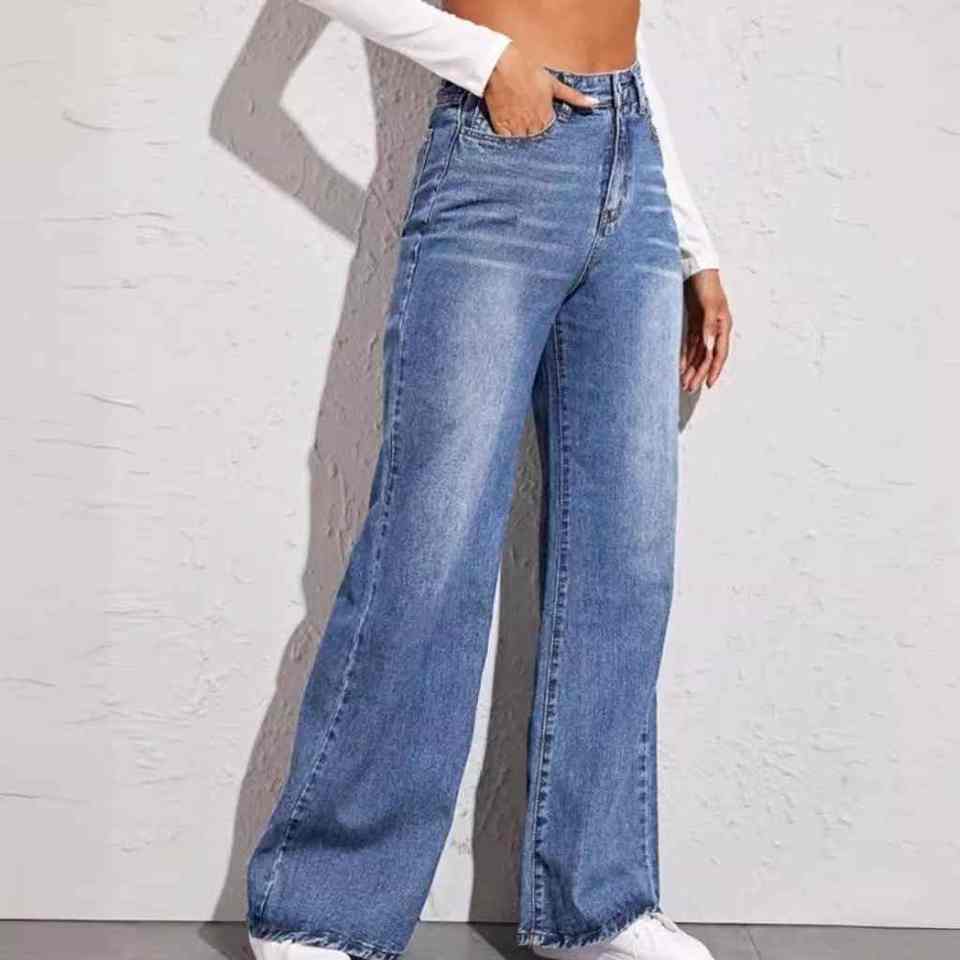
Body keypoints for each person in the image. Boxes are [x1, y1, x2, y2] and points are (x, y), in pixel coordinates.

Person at [245, 1, 734, 958]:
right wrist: (485, 60)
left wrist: (694, 240)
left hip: (633, 172)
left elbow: (620, 45)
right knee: (431, 547)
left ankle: (598, 905)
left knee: (626, 561)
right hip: (497, 161)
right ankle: (321, 908)